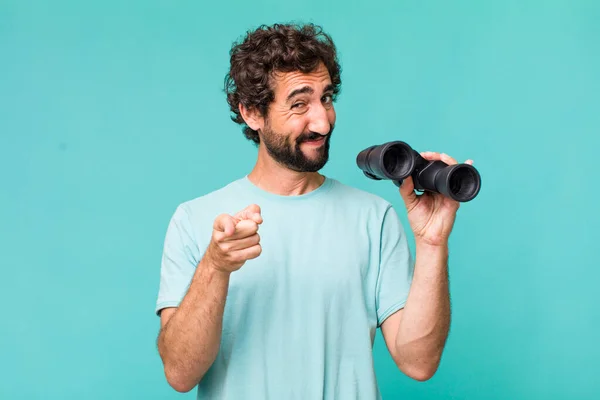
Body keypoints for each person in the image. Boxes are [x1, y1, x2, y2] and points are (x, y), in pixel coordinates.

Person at [155, 22, 474, 399]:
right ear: (252, 113)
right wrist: (215, 266)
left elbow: (418, 362)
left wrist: (433, 244)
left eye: (326, 98)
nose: (322, 121)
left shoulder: (374, 219)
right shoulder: (194, 219)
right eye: (299, 103)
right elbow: (179, 373)